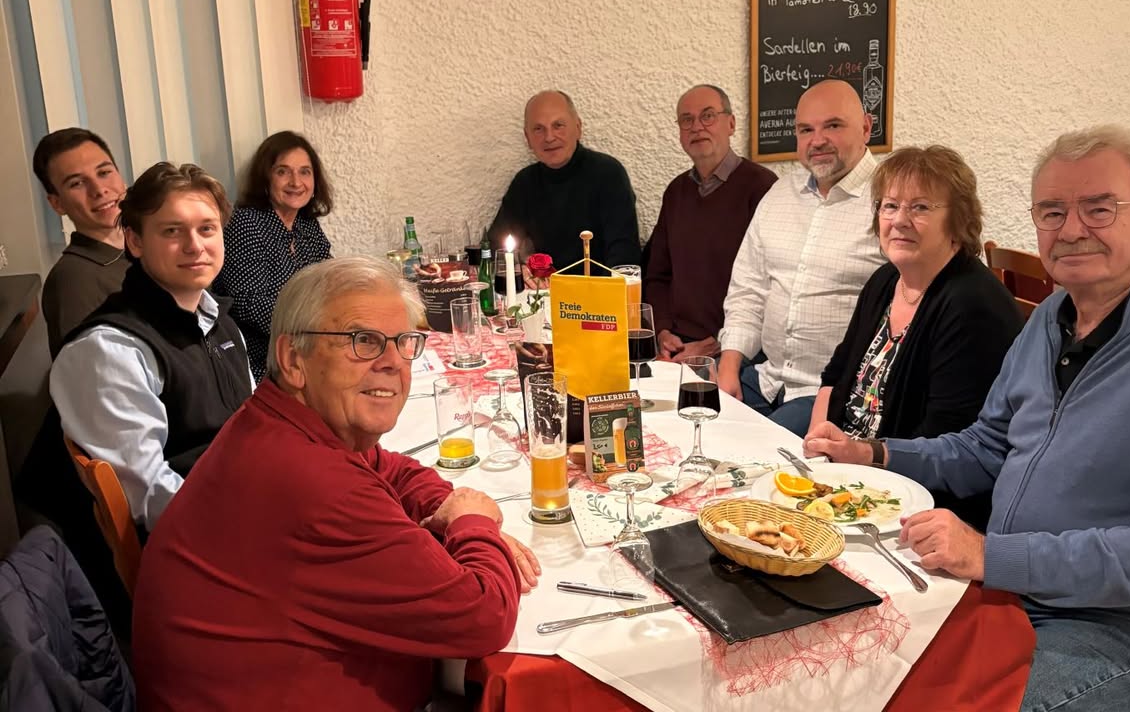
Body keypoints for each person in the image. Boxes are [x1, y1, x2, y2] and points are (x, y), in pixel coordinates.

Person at [805, 125, 1130, 709]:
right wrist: (874, 452)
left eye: (1099, 208)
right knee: (841, 663)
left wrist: (990, 555)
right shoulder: (1051, 318)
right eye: (1052, 212)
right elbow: (986, 447)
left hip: (1125, 627)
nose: (1072, 229)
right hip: (1011, 591)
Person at [133, 256, 539, 711]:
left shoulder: (282, 423)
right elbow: (483, 618)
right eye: (363, 341)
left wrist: (452, 505)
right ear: (293, 359)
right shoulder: (313, 484)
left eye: (404, 342)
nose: (392, 363)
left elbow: (389, 468)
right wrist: (473, 524)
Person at [811, 146, 1022, 523]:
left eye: (920, 207)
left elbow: (948, 445)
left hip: (916, 501)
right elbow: (835, 375)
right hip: (850, 472)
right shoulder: (885, 281)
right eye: (890, 206)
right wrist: (819, 447)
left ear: (958, 220)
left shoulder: (973, 304)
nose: (899, 220)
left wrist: (853, 467)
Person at [50, 162, 252, 533]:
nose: (195, 246)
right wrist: (259, 522)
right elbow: (149, 497)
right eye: (172, 231)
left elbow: (253, 429)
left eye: (207, 228)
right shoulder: (109, 351)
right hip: (196, 540)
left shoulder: (220, 321)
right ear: (135, 241)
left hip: (245, 501)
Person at [717, 80, 884, 436]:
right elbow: (748, 289)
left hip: (834, 393)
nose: (817, 140)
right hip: (766, 379)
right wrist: (729, 363)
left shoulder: (890, 200)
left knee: (753, 456)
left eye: (833, 125)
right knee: (690, 430)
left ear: (866, 127)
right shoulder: (780, 194)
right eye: (806, 129)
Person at [644, 85, 777, 361]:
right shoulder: (676, 192)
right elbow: (658, 275)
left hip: (737, 351)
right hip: (675, 345)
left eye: (707, 116)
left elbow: (772, 286)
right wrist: (663, 333)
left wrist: (718, 345)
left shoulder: (762, 187)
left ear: (731, 124)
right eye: (687, 119)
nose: (696, 127)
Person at [213, 130, 333, 381]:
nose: (296, 182)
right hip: (262, 365)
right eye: (282, 171)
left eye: (304, 172)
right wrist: (316, 325)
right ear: (265, 178)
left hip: (308, 352)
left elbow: (331, 283)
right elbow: (247, 302)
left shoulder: (307, 225)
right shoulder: (245, 223)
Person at [489, 90, 640, 271]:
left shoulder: (609, 174)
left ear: (578, 128)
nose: (549, 137)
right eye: (538, 129)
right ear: (527, 138)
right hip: (547, 287)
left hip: (599, 286)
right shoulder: (525, 183)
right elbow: (495, 247)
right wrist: (520, 271)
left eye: (558, 125)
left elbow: (624, 256)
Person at [33, 128, 130, 358]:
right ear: (57, 204)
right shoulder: (73, 282)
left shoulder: (147, 246)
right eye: (77, 183)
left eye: (104, 172)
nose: (99, 190)